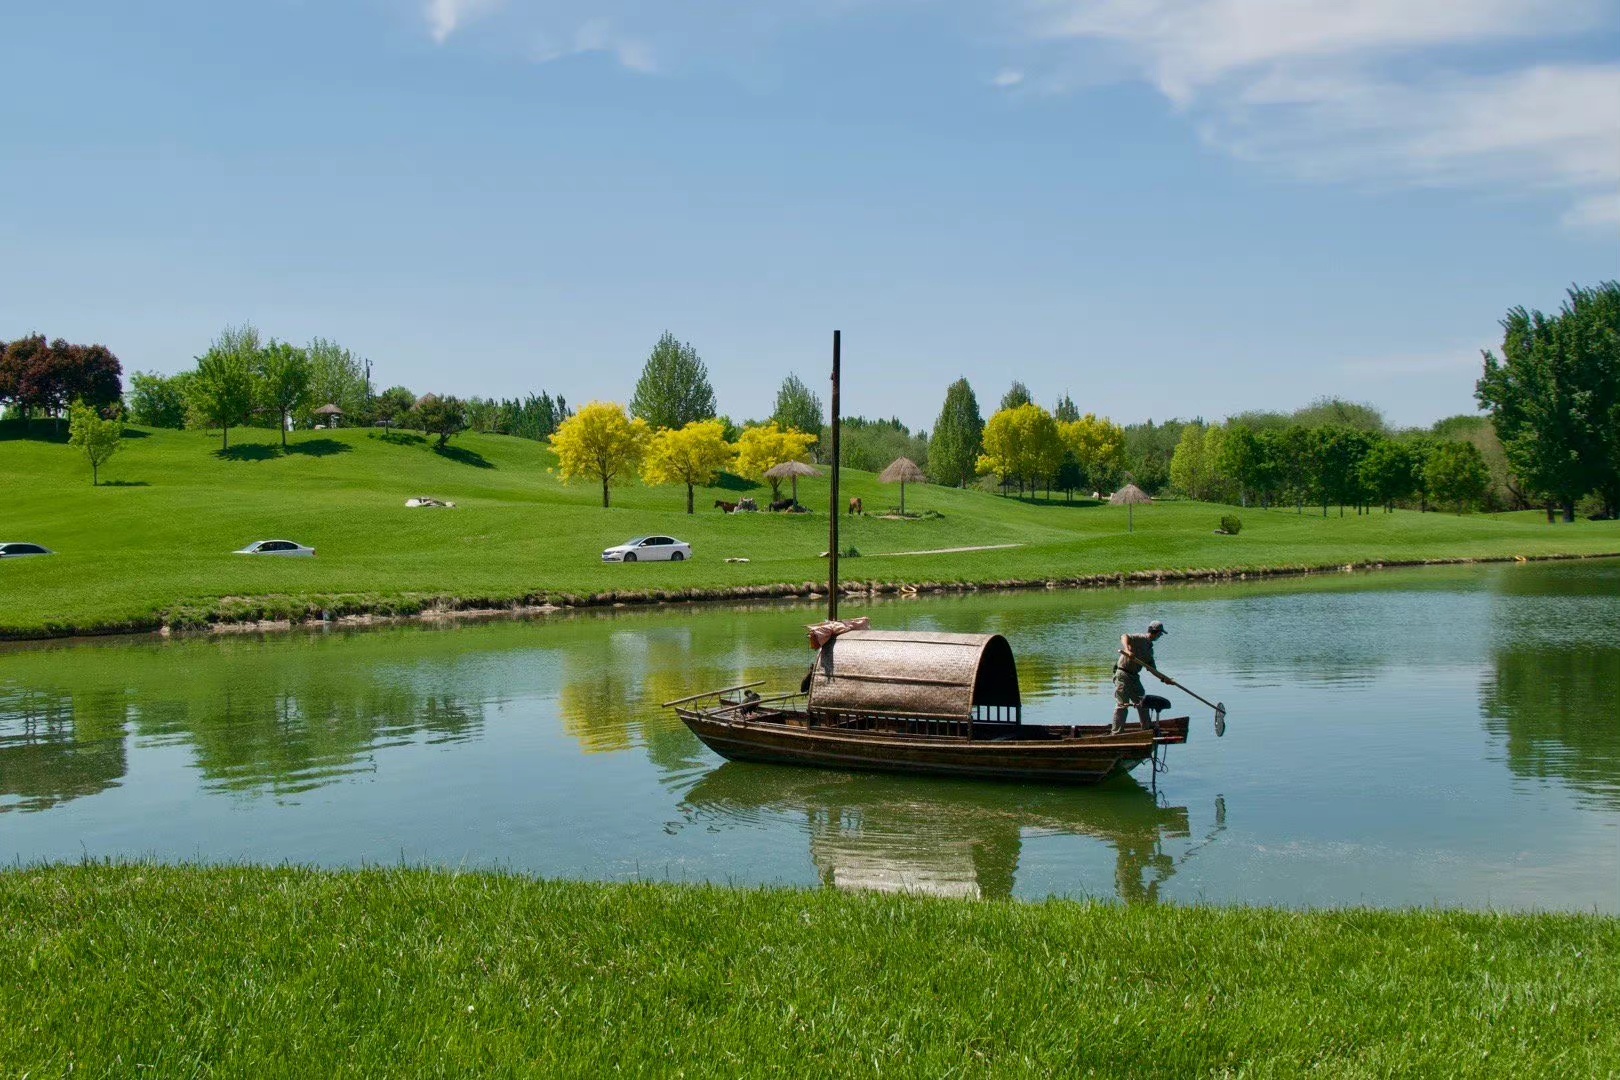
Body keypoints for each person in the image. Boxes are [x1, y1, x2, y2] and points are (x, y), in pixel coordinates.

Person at [1112, 619, 1171, 733]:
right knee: (1122, 705)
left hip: (1134, 677)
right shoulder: (1140, 638)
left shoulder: (1149, 650)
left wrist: (1165, 679)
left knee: (1143, 702)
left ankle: (1146, 729)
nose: (1160, 636)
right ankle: (1116, 733)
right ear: (1155, 631)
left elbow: (1153, 670)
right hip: (1123, 674)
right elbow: (1124, 636)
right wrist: (1127, 649)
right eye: (1160, 633)